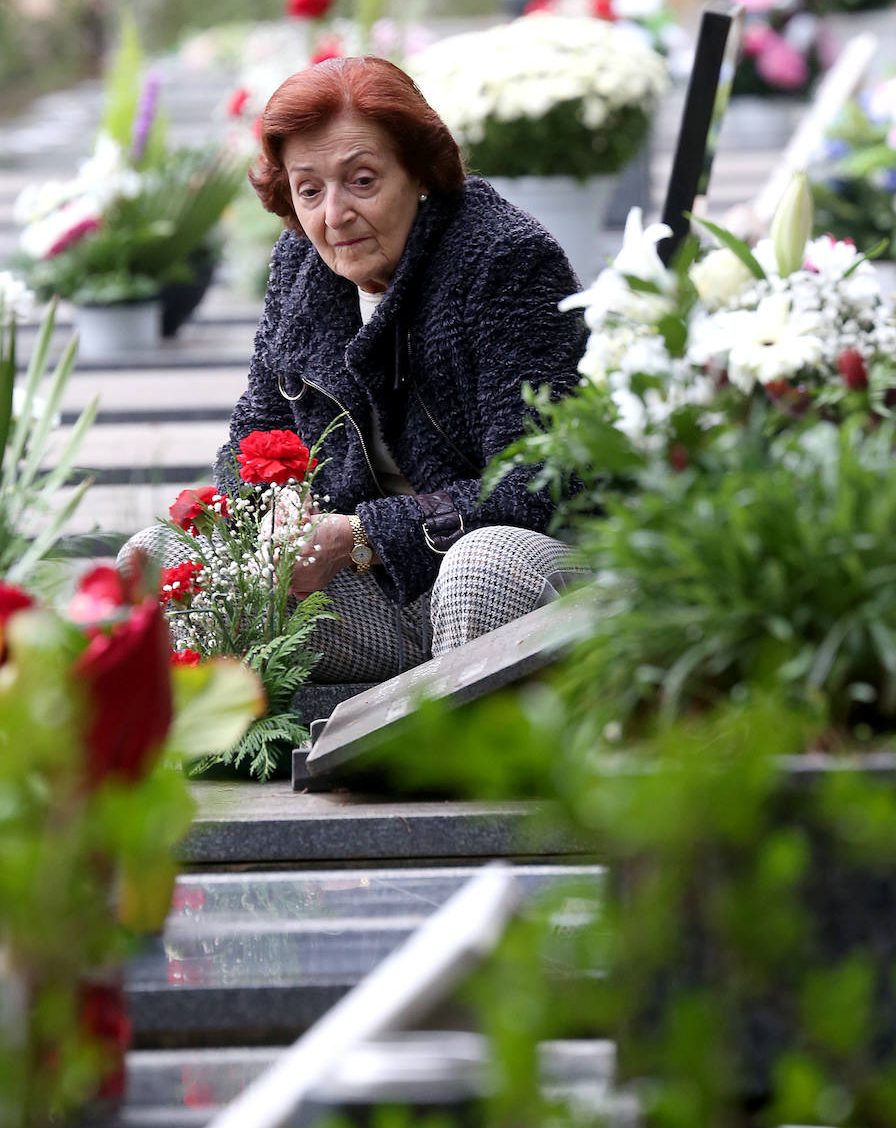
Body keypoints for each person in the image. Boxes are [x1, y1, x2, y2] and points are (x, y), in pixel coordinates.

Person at [128, 55, 588, 682]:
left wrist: (363, 534)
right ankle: (247, 732)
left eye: (363, 180)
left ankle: (453, 755)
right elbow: (250, 439)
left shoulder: (505, 260)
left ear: (420, 172)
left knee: (478, 573)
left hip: (512, 574)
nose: (334, 216)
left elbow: (541, 483)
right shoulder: (300, 265)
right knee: (156, 560)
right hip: (379, 599)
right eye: (309, 189)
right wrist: (272, 509)